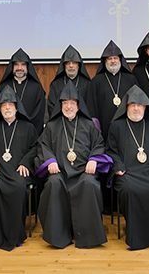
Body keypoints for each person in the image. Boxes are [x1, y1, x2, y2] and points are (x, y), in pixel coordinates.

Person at [36, 82, 111, 249]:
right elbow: (43, 146)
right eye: (65, 103)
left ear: (78, 105)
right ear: (60, 105)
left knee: (90, 184)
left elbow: (99, 144)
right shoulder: (52, 126)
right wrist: (51, 161)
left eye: (72, 103)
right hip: (60, 172)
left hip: (83, 172)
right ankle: (59, 235)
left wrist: (93, 159)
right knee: (53, 184)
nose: (68, 106)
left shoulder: (89, 125)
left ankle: (87, 236)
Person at [106, 85, 149, 250]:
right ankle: (137, 236)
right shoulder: (117, 126)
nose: (136, 108)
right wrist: (118, 167)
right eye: (132, 105)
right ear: (126, 106)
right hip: (127, 173)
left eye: (140, 105)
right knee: (129, 189)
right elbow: (110, 151)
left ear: (145, 107)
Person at [0, 86, 38, 251]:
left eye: (10, 105)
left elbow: (35, 148)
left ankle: (15, 232)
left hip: (18, 171)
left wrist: (26, 162)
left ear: (17, 108)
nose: (7, 108)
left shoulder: (28, 127)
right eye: (4, 106)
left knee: (19, 187)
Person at [87, 40, 138, 141]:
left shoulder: (131, 79)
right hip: (104, 128)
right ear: (105, 61)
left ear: (120, 60)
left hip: (127, 126)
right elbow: (91, 105)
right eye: (109, 58)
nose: (113, 61)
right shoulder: (96, 81)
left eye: (115, 58)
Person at [0, 48, 46, 133]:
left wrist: (29, 129)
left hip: (29, 132)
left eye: (23, 64)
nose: (19, 68)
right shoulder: (4, 87)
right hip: (7, 130)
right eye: (16, 64)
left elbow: (39, 114)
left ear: (28, 67)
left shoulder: (36, 87)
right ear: (12, 67)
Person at [47, 45, 91, 117]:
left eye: (74, 63)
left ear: (78, 65)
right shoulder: (56, 84)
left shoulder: (87, 84)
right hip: (61, 123)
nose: (71, 66)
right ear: (64, 66)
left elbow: (90, 107)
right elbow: (51, 107)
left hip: (82, 124)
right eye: (68, 63)